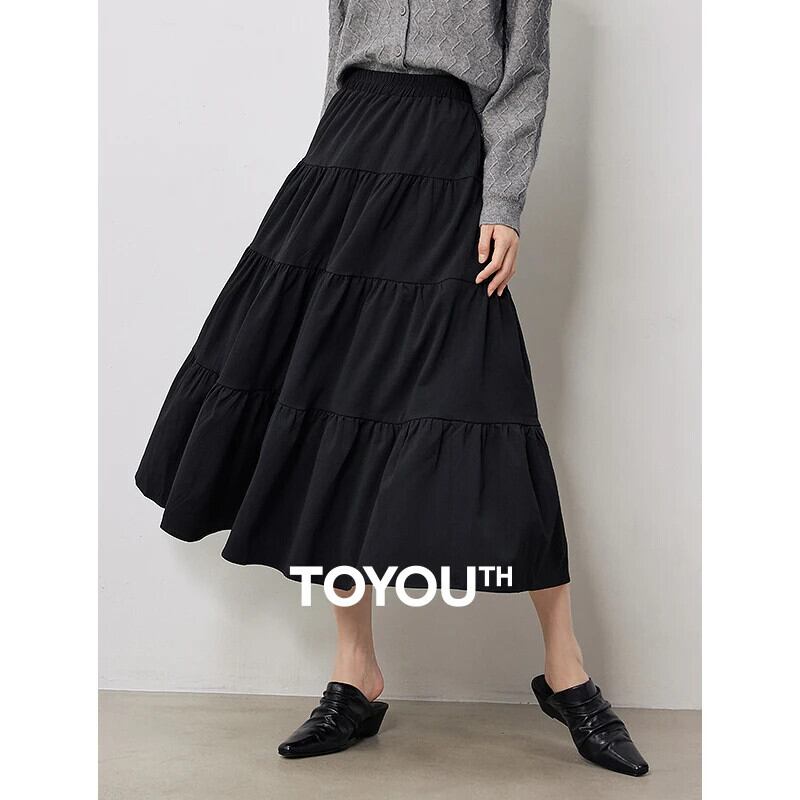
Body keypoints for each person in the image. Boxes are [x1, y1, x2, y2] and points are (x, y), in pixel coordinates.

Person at [136, 0, 648, 777]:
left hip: (447, 161)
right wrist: (326, 164)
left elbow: (524, 71)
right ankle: (356, 674)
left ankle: (566, 671)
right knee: (331, 400)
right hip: (347, 155)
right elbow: (340, 46)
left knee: (491, 404)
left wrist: (503, 202)